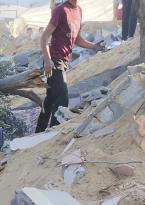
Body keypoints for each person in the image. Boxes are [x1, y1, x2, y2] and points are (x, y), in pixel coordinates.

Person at [36, 0, 104, 132]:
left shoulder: (79, 11)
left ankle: (39, 132)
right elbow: (44, 37)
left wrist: (93, 46)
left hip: (64, 61)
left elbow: (77, 39)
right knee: (62, 99)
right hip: (55, 60)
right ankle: (54, 133)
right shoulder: (60, 10)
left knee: (51, 98)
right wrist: (47, 60)